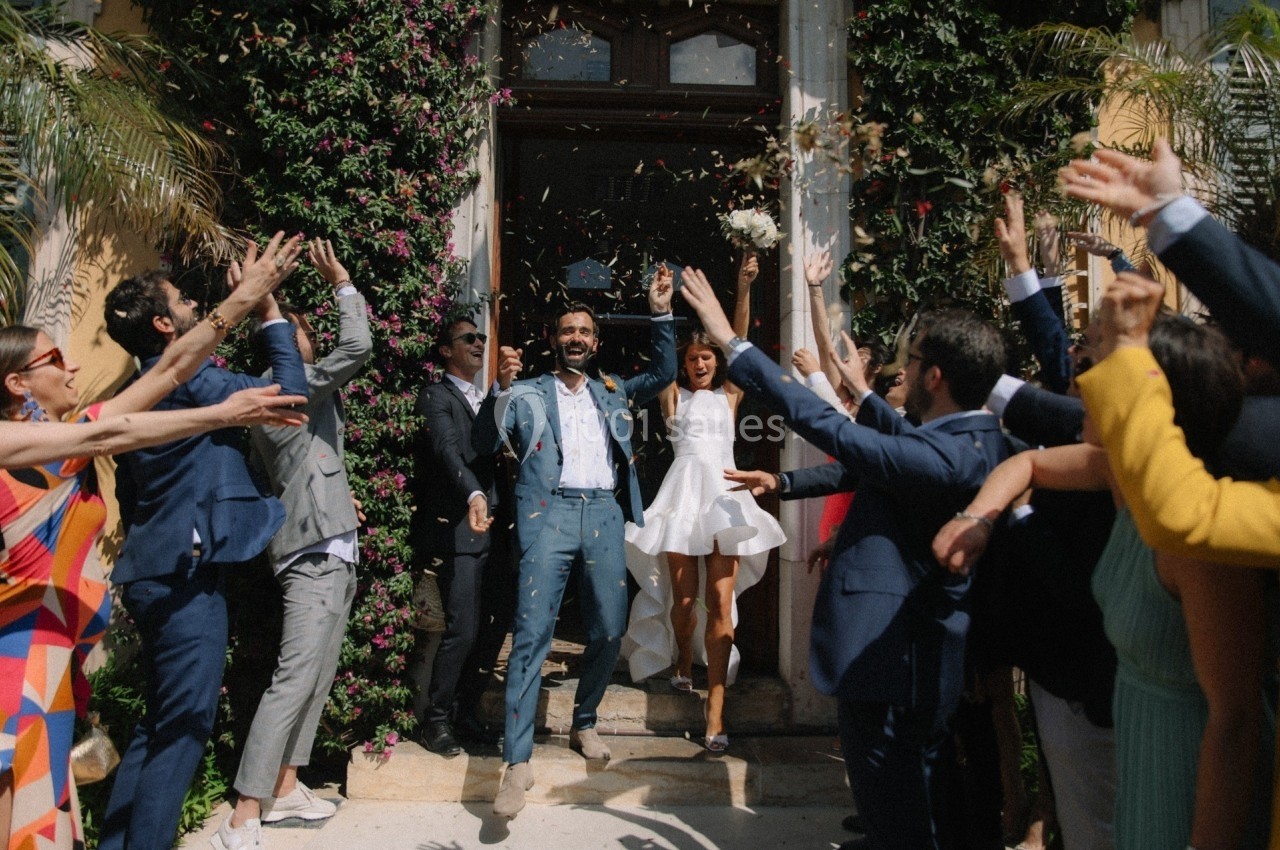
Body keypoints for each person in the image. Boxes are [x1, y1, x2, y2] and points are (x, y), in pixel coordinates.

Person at [683, 267, 1012, 850]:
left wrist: (732, 342)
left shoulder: (948, 456)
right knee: (911, 799)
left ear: (934, 377)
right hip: (909, 657)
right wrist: (858, 396)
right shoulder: (973, 440)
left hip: (892, 660)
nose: (903, 371)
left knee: (897, 804)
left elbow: (833, 429)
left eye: (911, 363)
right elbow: (896, 442)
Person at [1, 233, 306, 850]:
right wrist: (225, 408)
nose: (73, 367)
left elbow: (167, 372)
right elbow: (112, 433)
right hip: (19, 664)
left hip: (59, 664)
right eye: (55, 359)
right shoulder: (18, 445)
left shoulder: (74, 436)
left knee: (55, 813)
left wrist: (246, 298)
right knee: (30, 820)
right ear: (16, 383)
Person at [935, 308, 1272, 850]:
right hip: (1137, 753)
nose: (1081, 384)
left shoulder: (1197, 541)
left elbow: (1234, 721)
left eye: (1100, 369)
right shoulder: (1121, 472)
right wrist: (978, 519)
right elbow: (1027, 466)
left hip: (1185, 775)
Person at [98, 260, 311, 850]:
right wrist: (269, 310)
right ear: (165, 325)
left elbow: (131, 497)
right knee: (183, 732)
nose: (194, 303)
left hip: (152, 573)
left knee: (159, 725)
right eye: (182, 299)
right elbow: (290, 387)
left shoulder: (131, 395)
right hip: (184, 580)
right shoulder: (190, 381)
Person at [474, 270, 676, 819]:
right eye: (568, 330)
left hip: (604, 514)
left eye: (585, 331)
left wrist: (660, 312)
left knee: (610, 628)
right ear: (554, 339)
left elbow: (664, 372)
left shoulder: (614, 390)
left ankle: (584, 720)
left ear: (596, 341)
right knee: (531, 634)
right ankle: (516, 764)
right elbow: (484, 442)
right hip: (549, 515)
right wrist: (498, 389)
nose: (577, 338)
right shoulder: (526, 392)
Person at [215, 239, 372, 849]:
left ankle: (284, 788)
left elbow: (302, 469)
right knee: (294, 678)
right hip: (313, 554)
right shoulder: (286, 388)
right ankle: (243, 812)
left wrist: (337, 501)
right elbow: (356, 348)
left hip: (331, 546)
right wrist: (341, 284)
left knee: (316, 676)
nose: (310, 339)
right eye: (302, 332)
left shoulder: (294, 396)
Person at [621, 249, 784, 752]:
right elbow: (662, 362)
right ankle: (680, 658)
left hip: (724, 499)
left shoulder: (730, 396)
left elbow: (739, 341)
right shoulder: (673, 397)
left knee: (720, 602)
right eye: (692, 359)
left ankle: (715, 709)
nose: (699, 364)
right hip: (682, 500)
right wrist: (662, 308)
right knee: (684, 601)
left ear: (716, 361)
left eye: (706, 357)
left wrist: (744, 286)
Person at [413, 314, 512, 757]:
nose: (478, 343)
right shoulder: (436, 396)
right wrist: (473, 493)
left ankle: (464, 710)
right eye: (468, 338)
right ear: (445, 350)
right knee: (464, 629)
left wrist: (502, 390)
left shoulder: (486, 396)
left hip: (499, 530)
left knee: (497, 624)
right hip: (459, 530)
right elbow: (449, 450)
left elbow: (492, 446)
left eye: (481, 337)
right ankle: (435, 720)